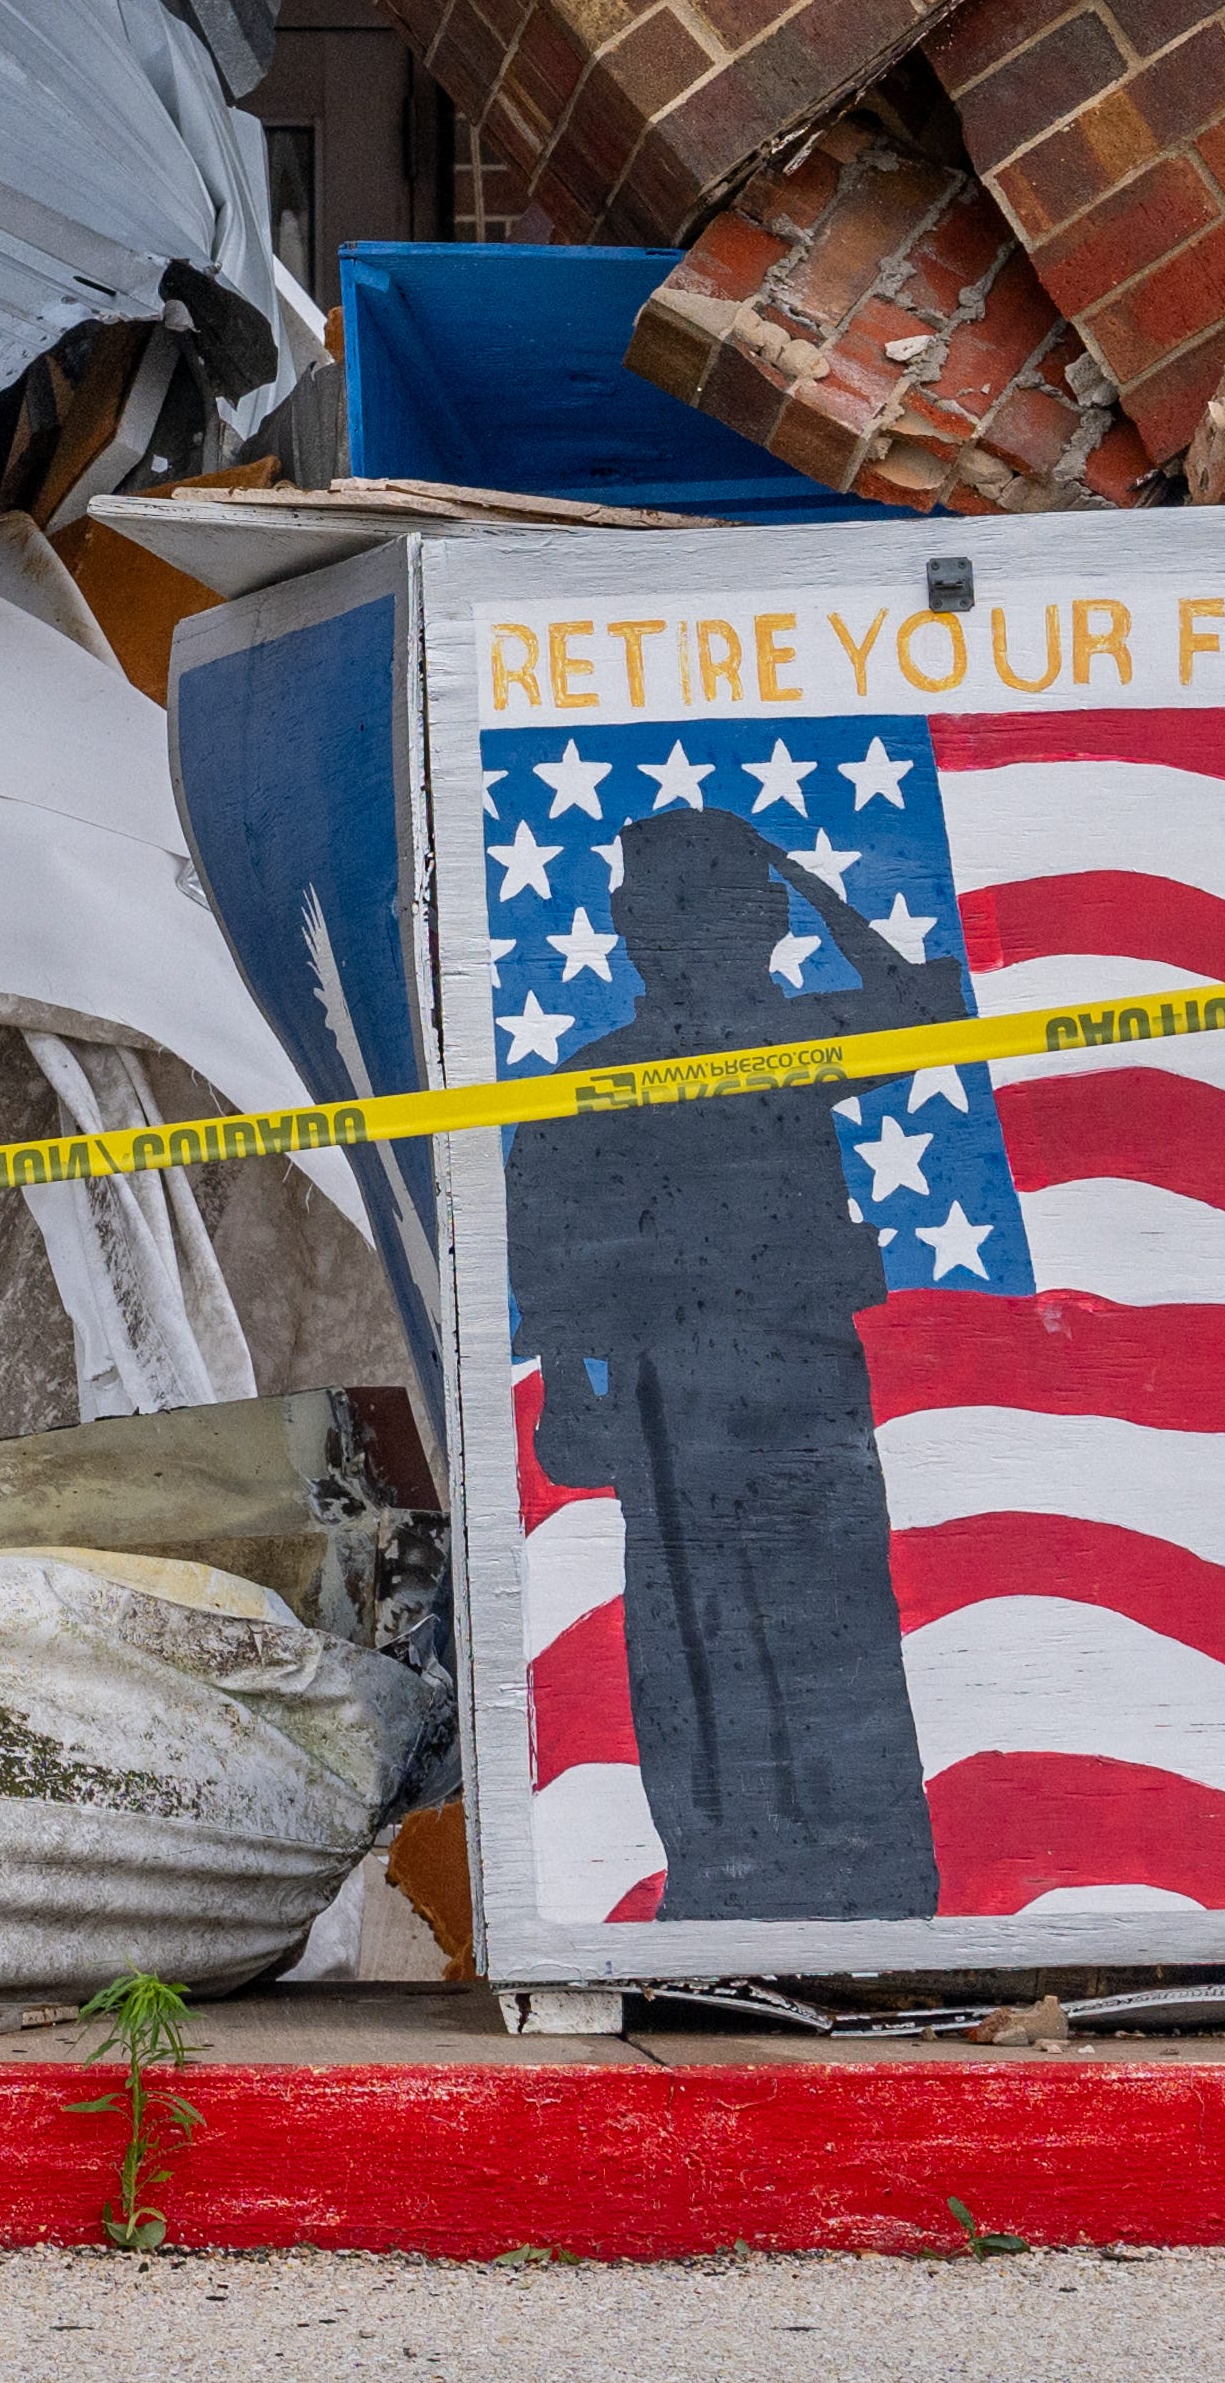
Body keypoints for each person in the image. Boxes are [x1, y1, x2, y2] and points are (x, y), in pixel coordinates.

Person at [508, 798, 956, 1921]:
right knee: (699, 1637)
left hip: (805, 1380)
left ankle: (870, 1869)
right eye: (676, 907)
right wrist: (572, 1385)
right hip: (680, 1391)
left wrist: (795, 876)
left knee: (834, 1626)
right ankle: (730, 1867)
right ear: (628, 920)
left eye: (727, 905)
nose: (701, 930)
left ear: (760, 918)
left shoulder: (790, 1043)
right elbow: (552, 1247)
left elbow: (930, 1010)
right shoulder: (606, 1072)